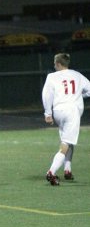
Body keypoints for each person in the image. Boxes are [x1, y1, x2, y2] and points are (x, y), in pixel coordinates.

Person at [42, 52, 90, 185]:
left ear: (58, 64)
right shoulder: (77, 75)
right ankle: (51, 172)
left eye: (54, 63)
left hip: (58, 111)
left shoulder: (51, 76)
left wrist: (48, 114)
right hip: (72, 111)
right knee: (65, 145)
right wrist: (79, 95)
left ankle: (67, 170)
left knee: (68, 140)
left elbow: (46, 95)